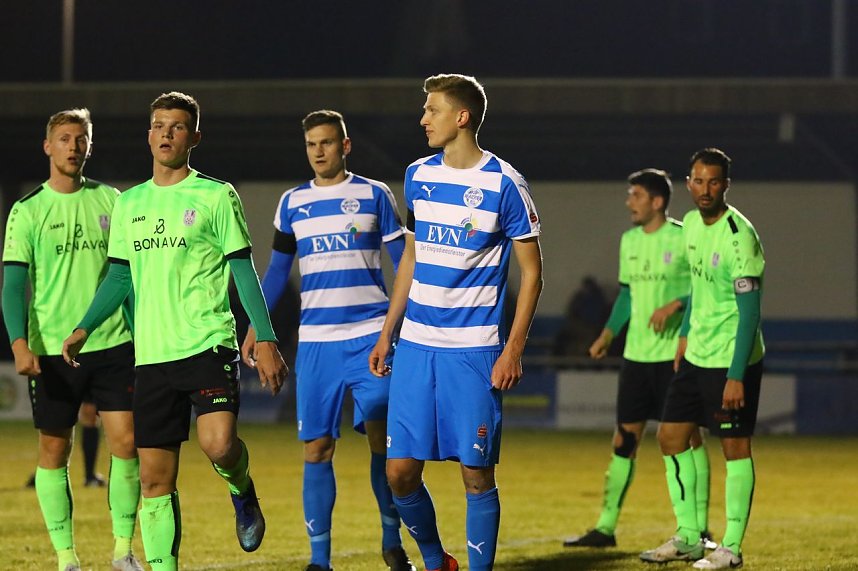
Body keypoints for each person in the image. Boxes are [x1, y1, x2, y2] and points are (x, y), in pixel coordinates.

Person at [61, 92, 288, 571]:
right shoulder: (130, 204)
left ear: (194, 137)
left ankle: (241, 489)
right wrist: (85, 326)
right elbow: (120, 276)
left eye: (177, 126)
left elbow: (243, 270)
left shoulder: (215, 195)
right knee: (154, 482)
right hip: (151, 357)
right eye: (159, 125)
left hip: (207, 343)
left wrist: (264, 336)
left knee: (219, 445)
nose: (166, 133)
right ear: (148, 134)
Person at [369, 74, 543, 571]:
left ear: (461, 117)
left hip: (475, 351)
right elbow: (411, 257)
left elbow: (532, 274)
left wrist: (512, 350)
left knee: (475, 475)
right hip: (416, 347)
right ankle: (434, 560)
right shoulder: (418, 175)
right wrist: (388, 332)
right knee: (399, 473)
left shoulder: (505, 184)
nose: (423, 118)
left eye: (432, 109)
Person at [241, 109, 415, 571]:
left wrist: (402, 327)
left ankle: (390, 541)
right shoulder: (292, 202)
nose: (319, 151)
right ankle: (320, 561)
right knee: (317, 448)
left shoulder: (374, 193)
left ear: (345, 145)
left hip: (370, 340)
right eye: (311, 145)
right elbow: (278, 270)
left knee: (384, 443)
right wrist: (259, 325)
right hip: (316, 344)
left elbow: (404, 265)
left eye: (327, 143)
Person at [2, 108, 143, 571]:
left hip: (112, 343)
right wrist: (19, 345)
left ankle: (123, 550)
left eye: (81, 138)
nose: (73, 146)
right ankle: (67, 559)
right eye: (64, 138)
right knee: (53, 449)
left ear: (89, 146)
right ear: (48, 146)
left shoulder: (112, 202)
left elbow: (126, 277)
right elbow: (13, 286)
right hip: (50, 351)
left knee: (125, 442)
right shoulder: (27, 211)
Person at [563, 169, 713, 549]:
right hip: (636, 358)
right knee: (624, 439)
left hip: (676, 357)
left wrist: (676, 308)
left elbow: (704, 289)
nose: (629, 202)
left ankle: (698, 527)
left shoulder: (682, 238)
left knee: (687, 438)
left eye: (636, 195)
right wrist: (608, 333)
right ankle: (605, 527)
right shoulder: (629, 241)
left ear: (657, 201)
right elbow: (627, 295)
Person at [640, 149, 764, 570]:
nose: (705, 189)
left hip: (733, 358)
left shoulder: (739, 236)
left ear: (726, 184)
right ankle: (690, 536)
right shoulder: (690, 225)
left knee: (734, 448)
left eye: (714, 181)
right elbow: (697, 287)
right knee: (670, 437)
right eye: (698, 181)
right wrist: (686, 335)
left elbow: (750, 312)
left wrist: (736, 375)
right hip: (696, 354)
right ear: (688, 183)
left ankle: (730, 547)